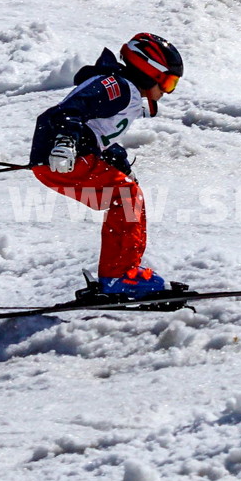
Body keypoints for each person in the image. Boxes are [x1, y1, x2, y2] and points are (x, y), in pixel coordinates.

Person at [29, 33, 184, 298]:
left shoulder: (127, 93)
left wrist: (118, 161)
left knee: (123, 198)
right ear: (149, 69)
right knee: (126, 197)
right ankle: (120, 276)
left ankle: (120, 273)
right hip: (65, 156)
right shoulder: (118, 86)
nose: (167, 91)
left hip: (60, 160)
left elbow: (98, 133)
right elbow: (74, 107)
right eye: (169, 82)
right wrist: (66, 141)